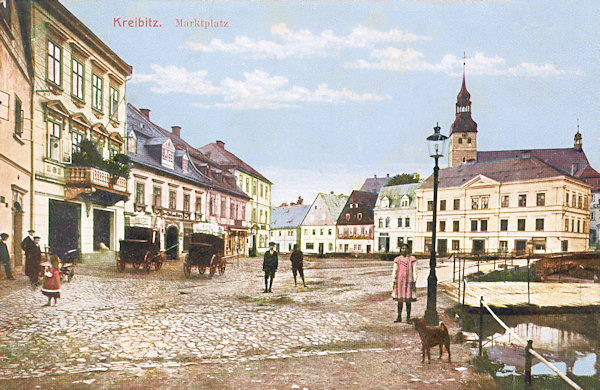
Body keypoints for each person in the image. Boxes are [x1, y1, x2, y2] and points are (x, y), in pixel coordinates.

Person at [392, 244, 417, 323]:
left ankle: (408, 318)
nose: (404, 250)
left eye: (405, 248)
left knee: (408, 300)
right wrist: (393, 279)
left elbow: (414, 270)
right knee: (400, 300)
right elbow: (394, 270)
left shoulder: (411, 259)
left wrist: (414, 279)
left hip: (409, 280)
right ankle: (399, 317)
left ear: (408, 250)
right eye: (402, 248)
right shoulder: (397, 259)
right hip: (400, 281)